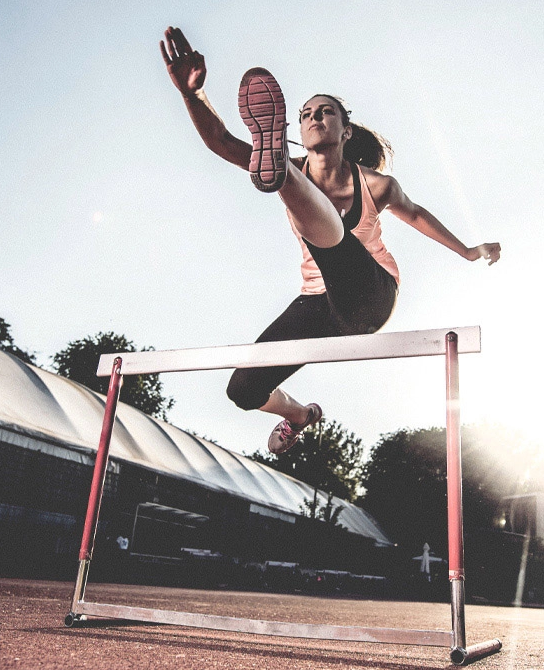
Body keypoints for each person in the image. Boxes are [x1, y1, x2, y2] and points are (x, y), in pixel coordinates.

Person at [160, 26, 501, 454]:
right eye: (305, 115)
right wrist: (192, 95)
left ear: (346, 132)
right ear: (299, 133)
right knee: (243, 389)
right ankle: (301, 415)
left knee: (334, 241)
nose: (315, 118)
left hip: (370, 295)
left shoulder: (377, 185)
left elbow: (416, 215)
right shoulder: (295, 157)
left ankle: (280, 176)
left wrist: (469, 251)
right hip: (317, 304)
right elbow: (223, 142)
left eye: (325, 113)